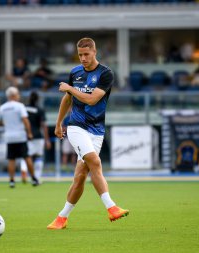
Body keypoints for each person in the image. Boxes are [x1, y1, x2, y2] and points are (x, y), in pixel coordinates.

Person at [47, 38, 129, 230]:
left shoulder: (106, 74)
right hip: (76, 126)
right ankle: (112, 207)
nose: (83, 58)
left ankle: (61, 218)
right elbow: (67, 101)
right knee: (95, 162)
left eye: (86, 54)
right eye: (80, 54)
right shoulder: (75, 73)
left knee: (81, 176)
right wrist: (59, 123)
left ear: (94, 52)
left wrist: (70, 89)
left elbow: (92, 100)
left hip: (97, 130)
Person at [0, 87, 40, 188]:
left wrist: (8, 124)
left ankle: (12, 181)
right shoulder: (20, 106)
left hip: (9, 136)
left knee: (11, 159)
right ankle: (34, 179)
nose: (19, 96)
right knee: (26, 157)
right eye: (17, 94)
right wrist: (29, 133)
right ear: (13, 95)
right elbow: (25, 120)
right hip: (20, 136)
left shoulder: (2, 107)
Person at [20, 91, 52, 183]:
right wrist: (47, 140)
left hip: (26, 136)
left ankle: (24, 169)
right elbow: (44, 125)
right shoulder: (40, 110)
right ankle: (36, 179)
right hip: (38, 136)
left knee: (26, 156)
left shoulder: (24, 108)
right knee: (38, 157)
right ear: (38, 99)